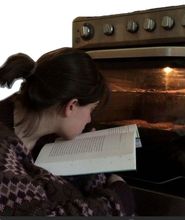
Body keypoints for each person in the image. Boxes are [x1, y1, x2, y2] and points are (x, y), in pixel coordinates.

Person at [0, 47, 135, 216]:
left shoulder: (39, 127)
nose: (89, 120)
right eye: (91, 110)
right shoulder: (3, 151)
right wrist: (118, 199)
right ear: (71, 106)